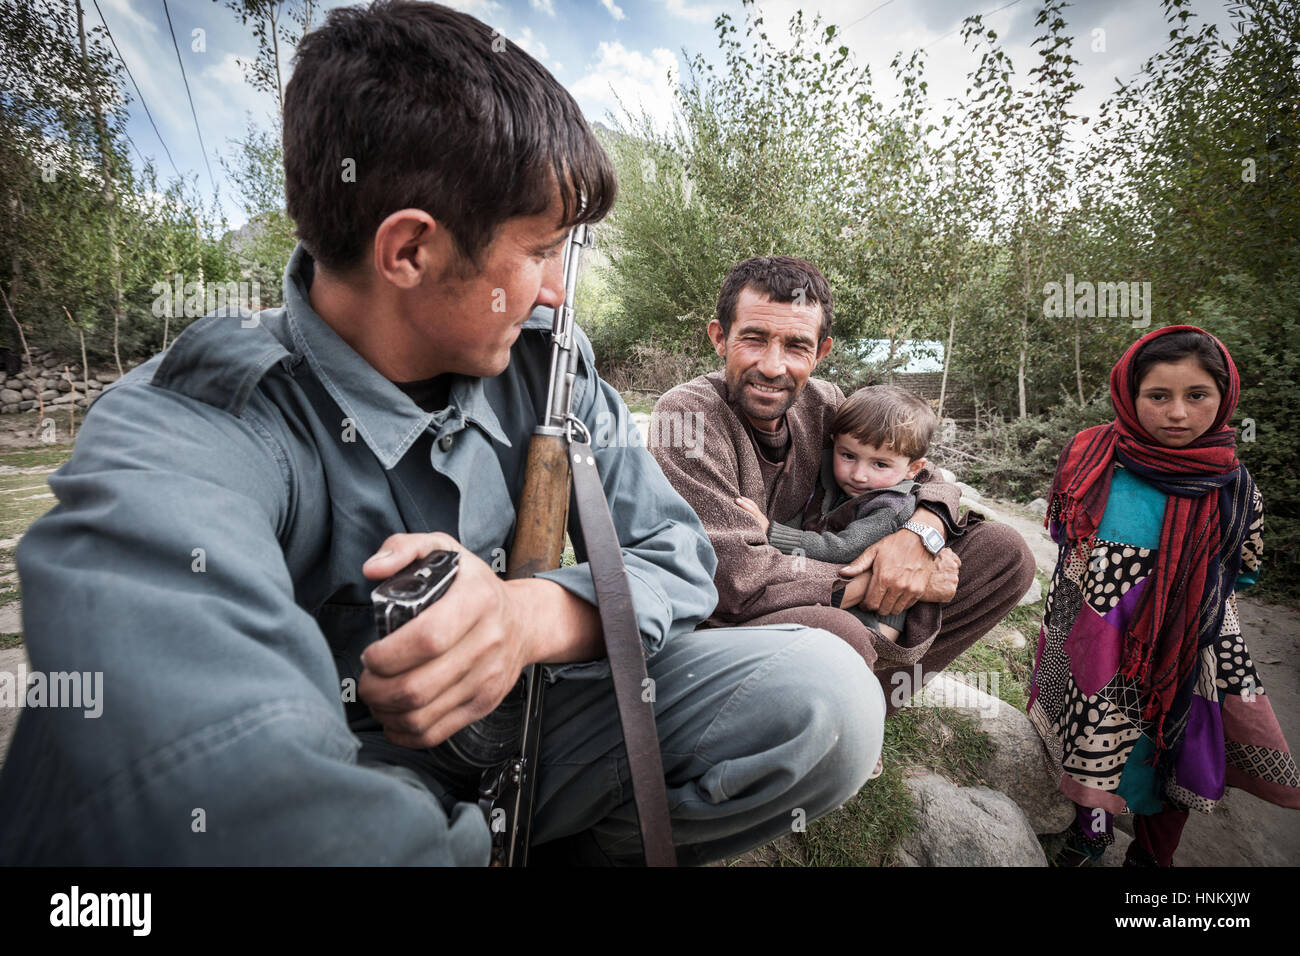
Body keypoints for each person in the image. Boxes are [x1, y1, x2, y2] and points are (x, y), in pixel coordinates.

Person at [0, 1, 884, 865]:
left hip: (535, 725)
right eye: (538, 253)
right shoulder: (197, 420)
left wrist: (527, 617)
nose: (557, 292)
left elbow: (677, 558)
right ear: (411, 252)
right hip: (358, 771)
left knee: (826, 701)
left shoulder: (549, 366)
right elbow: (217, 765)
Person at [652, 256, 1035, 705]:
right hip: (732, 620)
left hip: (814, 589)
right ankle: (829, 700)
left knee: (1005, 553)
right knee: (838, 633)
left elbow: (922, 473)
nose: (774, 367)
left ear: (821, 352)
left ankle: (874, 701)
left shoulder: (825, 402)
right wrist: (883, 583)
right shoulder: (687, 416)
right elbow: (734, 581)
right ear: (720, 337)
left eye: (796, 346)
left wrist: (921, 534)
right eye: (754, 340)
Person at [1028, 324, 1300, 867]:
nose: (1177, 413)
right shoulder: (1093, 457)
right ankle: (1093, 834)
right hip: (1092, 635)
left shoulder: (1234, 486)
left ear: (1224, 399)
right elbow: (1061, 532)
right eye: (1158, 396)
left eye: (1196, 396)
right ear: (1131, 397)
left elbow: (1243, 572)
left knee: (1171, 751)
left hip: (1188, 645)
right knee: (1092, 741)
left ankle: (1153, 857)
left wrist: (1172, 605)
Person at [736, 384, 938, 643]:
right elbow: (809, 516)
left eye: (880, 464)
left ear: (913, 468)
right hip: (837, 591)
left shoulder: (891, 506)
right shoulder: (838, 481)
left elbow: (843, 548)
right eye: (848, 455)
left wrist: (772, 532)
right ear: (834, 441)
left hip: (872, 615)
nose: (859, 475)